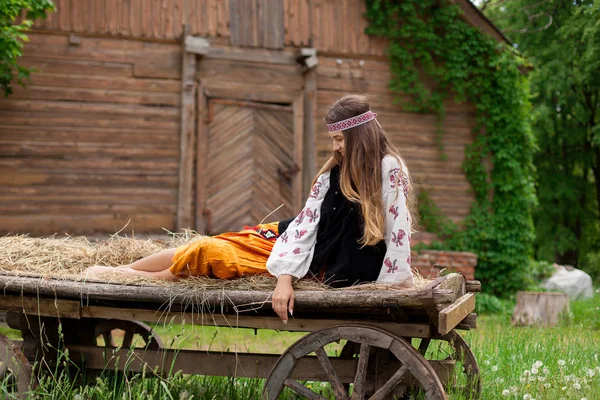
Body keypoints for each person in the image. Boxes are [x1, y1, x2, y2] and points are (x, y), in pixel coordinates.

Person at [85, 94, 415, 323]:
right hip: (289, 242)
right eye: (334, 140)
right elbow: (305, 225)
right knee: (218, 242)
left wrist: (392, 288)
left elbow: (398, 235)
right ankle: (127, 273)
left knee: (208, 252)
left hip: (320, 261)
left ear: (359, 137)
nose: (335, 148)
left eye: (341, 140)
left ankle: (132, 278)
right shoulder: (332, 174)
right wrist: (284, 279)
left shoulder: (389, 169)